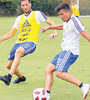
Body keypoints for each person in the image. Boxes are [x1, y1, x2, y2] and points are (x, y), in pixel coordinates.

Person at [0, 0, 57, 86]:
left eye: (27, 4)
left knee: (18, 51)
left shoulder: (37, 14)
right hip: (18, 43)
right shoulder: (19, 18)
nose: (25, 7)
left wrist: (54, 32)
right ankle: (21, 78)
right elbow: (11, 33)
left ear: (30, 4)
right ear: (21, 6)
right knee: (9, 66)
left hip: (31, 43)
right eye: (23, 5)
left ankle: (8, 77)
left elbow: (51, 22)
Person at [41, 3, 90, 99]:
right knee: (48, 69)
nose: (61, 17)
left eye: (62, 14)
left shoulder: (75, 21)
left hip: (70, 51)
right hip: (64, 51)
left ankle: (83, 85)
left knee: (59, 72)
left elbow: (87, 36)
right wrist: (49, 27)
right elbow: (62, 26)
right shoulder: (68, 21)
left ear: (68, 12)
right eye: (59, 15)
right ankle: (46, 94)